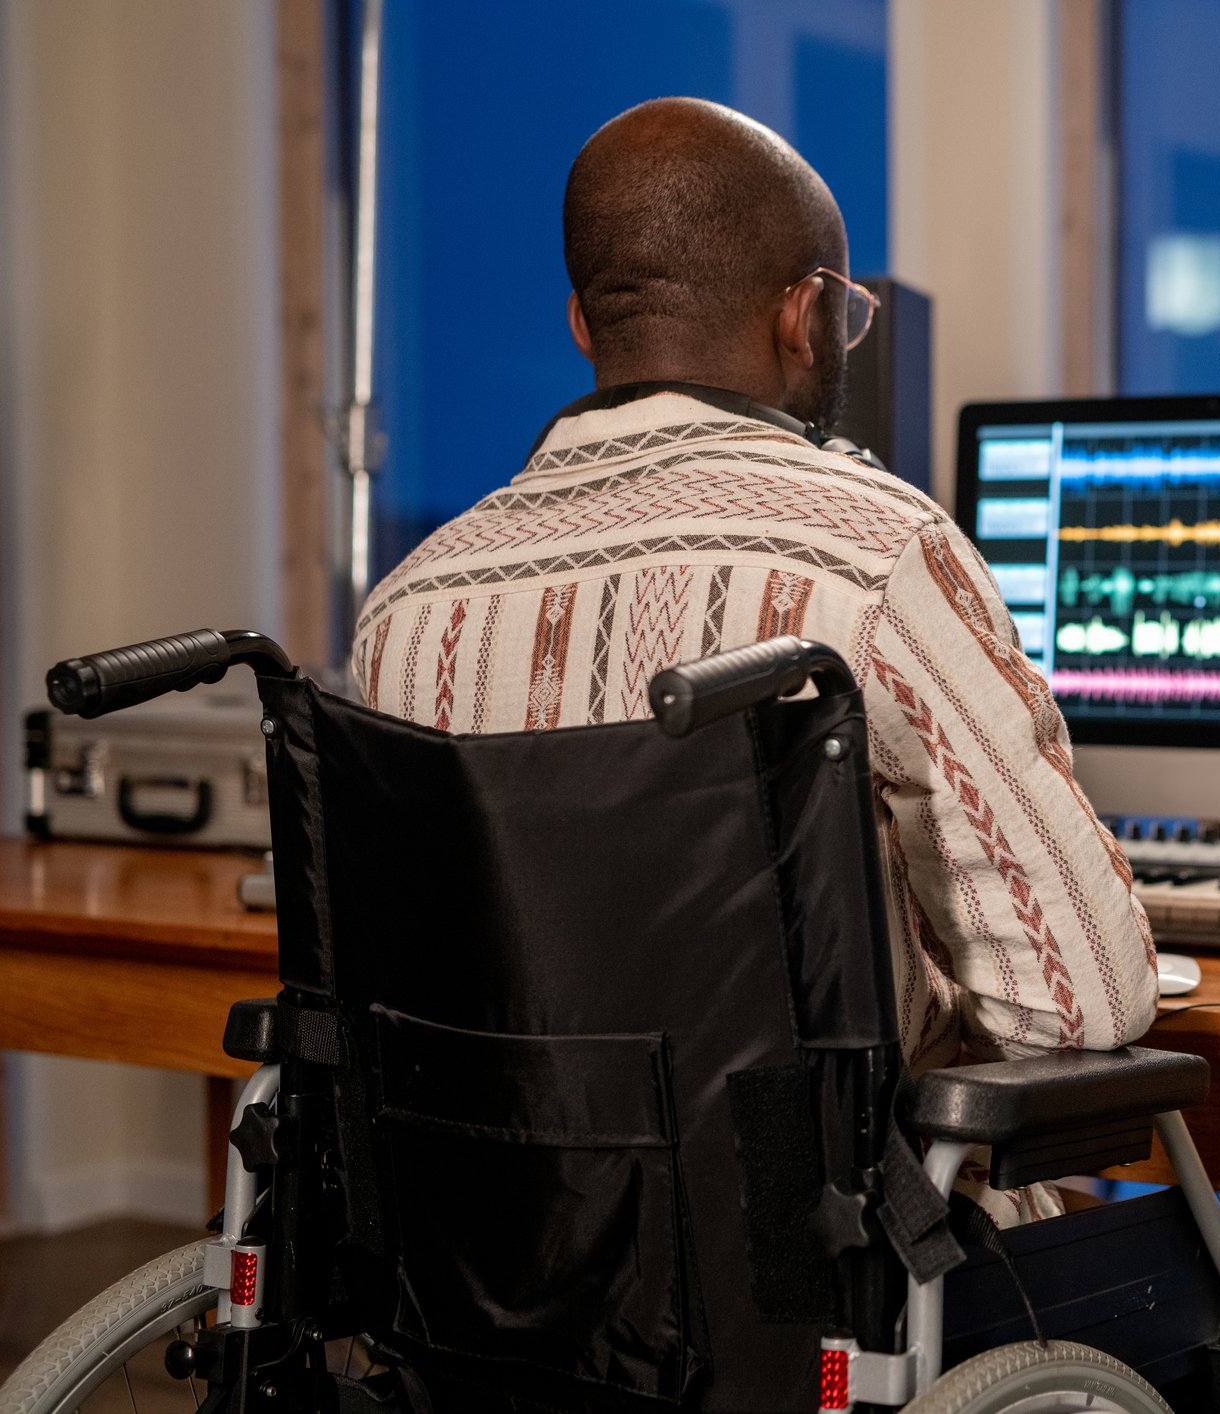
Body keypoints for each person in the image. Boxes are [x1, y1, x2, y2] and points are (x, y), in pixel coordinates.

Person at [350, 98, 1156, 1224]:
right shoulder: (875, 556)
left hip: (508, 1288)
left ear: (588, 326)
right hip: (817, 1287)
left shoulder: (406, 608)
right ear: (803, 314)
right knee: (1215, 1317)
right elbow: (1084, 1001)